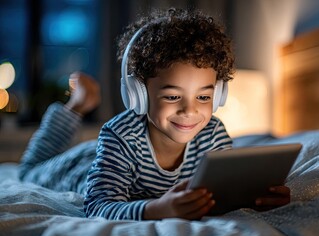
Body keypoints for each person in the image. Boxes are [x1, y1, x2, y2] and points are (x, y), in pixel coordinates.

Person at [20, 8, 290, 221]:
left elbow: (225, 190)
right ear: (138, 93)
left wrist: (257, 198)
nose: (189, 110)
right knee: (30, 169)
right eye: (172, 96)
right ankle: (78, 104)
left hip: (109, 157)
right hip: (82, 166)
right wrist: (156, 209)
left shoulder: (213, 134)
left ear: (219, 95)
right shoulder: (119, 135)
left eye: (204, 97)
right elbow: (98, 206)